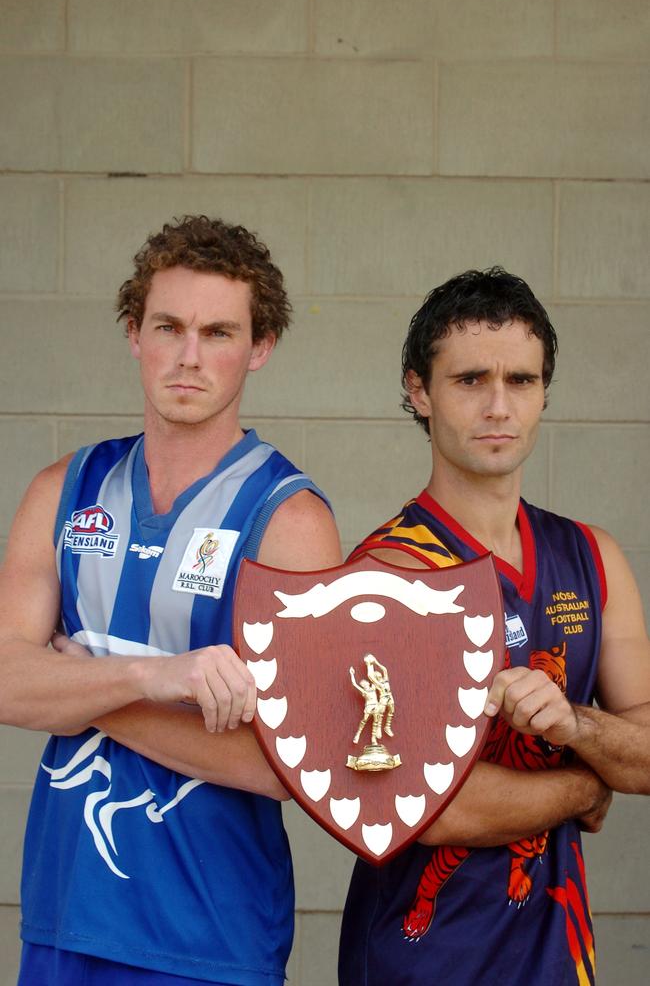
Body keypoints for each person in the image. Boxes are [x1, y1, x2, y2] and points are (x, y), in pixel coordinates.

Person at [0, 215, 341, 986]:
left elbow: (302, 763)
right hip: (64, 915)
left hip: (209, 936)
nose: (190, 357)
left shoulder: (287, 518)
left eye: (219, 332)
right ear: (134, 332)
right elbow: (5, 679)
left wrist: (84, 691)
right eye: (169, 326)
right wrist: (154, 676)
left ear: (260, 348)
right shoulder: (64, 490)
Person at [338, 267, 650, 986]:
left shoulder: (593, 556)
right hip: (419, 961)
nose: (499, 406)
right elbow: (428, 807)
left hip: (555, 958)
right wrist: (588, 786)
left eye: (523, 380)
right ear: (420, 390)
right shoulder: (386, 576)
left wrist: (578, 727)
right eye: (471, 379)